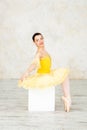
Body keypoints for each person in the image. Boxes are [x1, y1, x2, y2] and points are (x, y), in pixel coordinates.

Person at [18, 32, 71, 112]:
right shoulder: (39, 53)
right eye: (37, 40)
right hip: (43, 75)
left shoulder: (44, 50)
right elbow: (34, 64)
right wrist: (26, 72)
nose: (40, 41)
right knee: (64, 74)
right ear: (34, 42)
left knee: (64, 74)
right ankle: (67, 99)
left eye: (41, 38)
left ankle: (67, 98)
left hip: (48, 72)